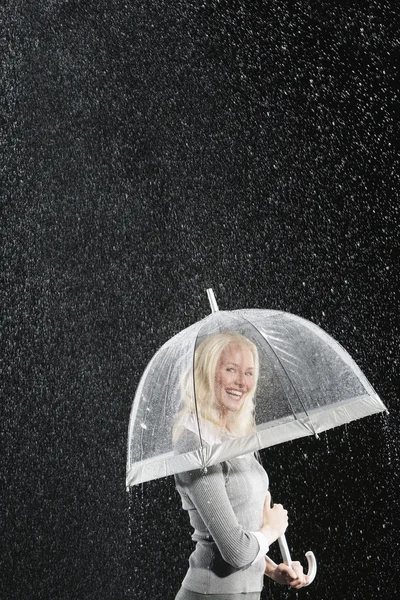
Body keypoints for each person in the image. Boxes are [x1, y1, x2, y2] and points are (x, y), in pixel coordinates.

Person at [172, 331, 310, 600]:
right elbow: (234, 552)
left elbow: (242, 529)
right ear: (207, 372)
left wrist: (270, 569)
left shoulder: (232, 436)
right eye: (231, 369)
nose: (242, 383)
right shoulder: (196, 446)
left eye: (249, 373)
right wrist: (272, 529)